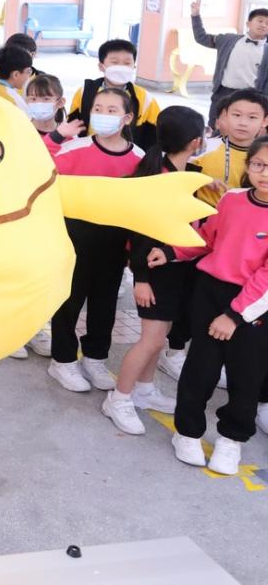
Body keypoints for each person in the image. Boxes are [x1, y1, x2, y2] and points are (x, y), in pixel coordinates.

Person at [101, 106, 206, 436]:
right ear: (196, 141)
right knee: (150, 341)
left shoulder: (183, 174)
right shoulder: (160, 178)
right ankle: (119, 398)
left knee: (158, 340)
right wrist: (141, 279)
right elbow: (140, 235)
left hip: (177, 271)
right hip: (155, 273)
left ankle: (144, 390)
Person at [168, 135, 268, 476]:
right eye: (259, 164)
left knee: (246, 375)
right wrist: (171, 251)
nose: (264, 173)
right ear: (248, 166)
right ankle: (187, 432)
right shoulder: (232, 200)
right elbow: (207, 239)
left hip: (253, 305)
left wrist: (235, 315)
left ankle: (231, 439)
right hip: (210, 293)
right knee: (201, 367)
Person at [47, 88, 143, 393]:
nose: (103, 114)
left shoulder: (139, 158)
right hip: (75, 237)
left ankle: (95, 358)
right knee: (69, 301)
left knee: (105, 304)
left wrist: (132, 250)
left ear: (127, 118)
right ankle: (62, 360)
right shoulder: (74, 148)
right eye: (98, 108)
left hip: (115, 242)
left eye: (112, 110)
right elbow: (37, 164)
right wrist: (57, 137)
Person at [190, 0, 268, 128]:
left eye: (267, 23)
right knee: (215, 126)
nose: (263, 25)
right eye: (260, 21)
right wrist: (195, 16)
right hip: (223, 92)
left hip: (250, 96)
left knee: (242, 129)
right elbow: (201, 38)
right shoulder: (228, 40)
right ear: (248, 24)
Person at [68, 39, 160, 150]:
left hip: (127, 155)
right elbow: (72, 123)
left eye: (127, 63)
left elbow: (154, 135)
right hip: (88, 150)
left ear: (134, 67)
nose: (121, 68)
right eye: (115, 62)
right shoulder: (85, 91)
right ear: (101, 66)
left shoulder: (144, 98)